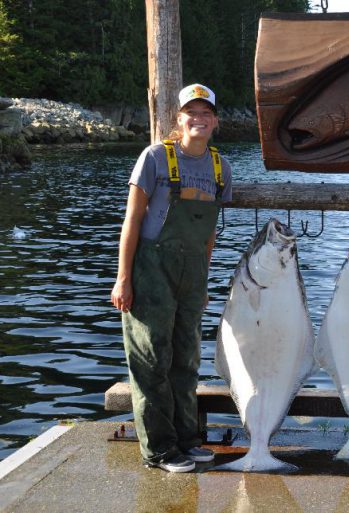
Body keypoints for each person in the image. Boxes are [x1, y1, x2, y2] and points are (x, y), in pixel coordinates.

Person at [111, 84, 233, 473]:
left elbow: (210, 231)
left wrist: (204, 281)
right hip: (151, 268)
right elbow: (132, 220)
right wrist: (123, 279)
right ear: (177, 119)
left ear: (215, 121)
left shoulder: (220, 167)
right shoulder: (155, 157)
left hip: (193, 273)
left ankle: (186, 440)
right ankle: (159, 450)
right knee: (151, 360)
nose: (198, 119)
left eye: (206, 113)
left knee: (187, 360)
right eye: (190, 113)